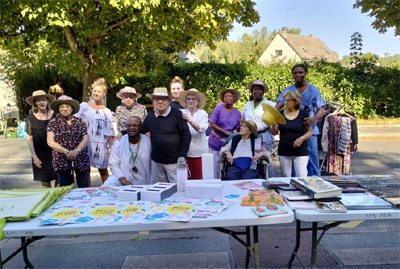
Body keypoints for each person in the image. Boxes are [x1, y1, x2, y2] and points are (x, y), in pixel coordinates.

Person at [276, 64, 326, 176]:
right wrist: (272, 116)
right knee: (293, 160)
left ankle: (315, 184)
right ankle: (293, 186)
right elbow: (278, 105)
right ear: (292, 75)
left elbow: (322, 109)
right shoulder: (287, 90)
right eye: (295, 73)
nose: (298, 74)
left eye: (300, 72)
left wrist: (313, 119)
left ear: (306, 73)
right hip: (293, 128)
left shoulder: (314, 90)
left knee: (312, 159)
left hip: (309, 129)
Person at [142, 87, 191, 183]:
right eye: (157, 99)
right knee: (158, 191)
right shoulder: (150, 116)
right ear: (153, 101)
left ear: (168, 101)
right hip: (156, 163)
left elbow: (186, 135)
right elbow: (141, 130)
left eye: (163, 99)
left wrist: (182, 155)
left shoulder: (177, 114)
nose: (160, 102)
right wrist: (123, 133)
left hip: (175, 162)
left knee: (178, 190)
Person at [75, 78, 115, 182]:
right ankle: (86, 193)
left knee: (103, 171)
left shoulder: (107, 112)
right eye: (95, 91)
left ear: (104, 94)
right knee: (85, 171)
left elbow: (110, 132)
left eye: (99, 91)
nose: (96, 93)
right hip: (84, 143)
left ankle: (107, 191)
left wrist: (112, 149)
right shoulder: (83, 106)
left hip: (101, 145)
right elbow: (74, 123)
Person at [47, 95, 90, 187]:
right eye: (62, 106)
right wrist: (65, 151)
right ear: (58, 109)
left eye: (67, 106)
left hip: (81, 157)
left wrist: (76, 151)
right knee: (65, 188)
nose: (65, 109)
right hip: (61, 158)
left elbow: (85, 138)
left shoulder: (80, 121)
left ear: (72, 108)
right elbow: (50, 141)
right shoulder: (53, 122)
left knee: (84, 186)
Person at [271, 91, 313, 177]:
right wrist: (273, 124)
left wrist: (301, 139)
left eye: (288, 100)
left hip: (300, 151)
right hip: (284, 151)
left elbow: (310, 132)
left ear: (295, 101)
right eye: (285, 100)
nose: (285, 103)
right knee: (285, 177)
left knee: (301, 177)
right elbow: (274, 132)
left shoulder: (303, 114)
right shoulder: (280, 115)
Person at [103, 116, 151, 186]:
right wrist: (124, 180)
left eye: (134, 125)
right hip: (122, 176)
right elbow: (113, 164)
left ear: (140, 127)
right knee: (108, 185)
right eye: (129, 126)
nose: (131, 128)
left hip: (143, 179)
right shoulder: (119, 142)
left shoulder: (148, 142)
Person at [25, 90, 57, 188]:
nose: (41, 102)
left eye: (43, 99)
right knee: (45, 182)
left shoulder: (56, 115)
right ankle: (48, 202)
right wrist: (34, 157)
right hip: (40, 155)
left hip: (56, 153)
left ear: (47, 101)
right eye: (38, 100)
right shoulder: (30, 118)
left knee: (58, 180)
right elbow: (29, 139)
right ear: (35, 103)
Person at [208, 88, 241, 178]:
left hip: (228, 142)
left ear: (234, 98)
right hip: (215, 140)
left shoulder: (237, 113)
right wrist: (224, 131)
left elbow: (238, 128)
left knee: (225, 166)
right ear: (223, 99)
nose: (228, 98)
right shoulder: (218, 108)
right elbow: (211, 123)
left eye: (230, 96)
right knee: (215, 165)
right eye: (226, 96)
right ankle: (214, 184)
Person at [178, 88, 208, 179]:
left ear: (198, 102)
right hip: (185, 152)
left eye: (193, 99)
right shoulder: (181, 112)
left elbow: (201, 129)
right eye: (188, 99)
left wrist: (190, 120)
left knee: (199, 177)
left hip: (200, 152)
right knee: (186, 178)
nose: (190, 101)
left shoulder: (203, 114)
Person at [242, 79, 276, 153]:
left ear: (263, 92)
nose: (257, 91)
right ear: (252, 92)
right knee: (251, 159)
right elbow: (243, 120)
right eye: (255, 89)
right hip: (249, 136)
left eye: (260, 89)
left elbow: (275, 121)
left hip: (265, 137)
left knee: (264, 160)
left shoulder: (271, 104)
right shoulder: (246, 105)